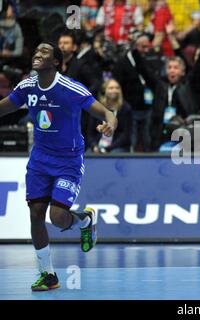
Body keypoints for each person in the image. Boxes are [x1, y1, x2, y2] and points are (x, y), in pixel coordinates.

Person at [0, 43, 118, 291]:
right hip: (40, 159)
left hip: (68, 160)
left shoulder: (70, 88)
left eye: (44, 53)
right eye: (36, 51)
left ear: (56, 62)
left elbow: (108, 113)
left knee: (57, 217)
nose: (37, 55)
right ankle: (48, 275)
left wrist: (109, 124)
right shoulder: (27, 86)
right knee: (35, 215)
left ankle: (84, 220)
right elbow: (6, 106)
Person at [87, 79, 132, 153]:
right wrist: (94, 146)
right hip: (98, 145)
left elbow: (125, 136)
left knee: (114, 155)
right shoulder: (97, 108)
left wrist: (108, 149)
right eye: (111, 88)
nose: (114, 90)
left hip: (116, 146)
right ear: (105, 91)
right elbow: (90, 134)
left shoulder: (126, 109)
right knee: (88, 155)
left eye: (117, 88)